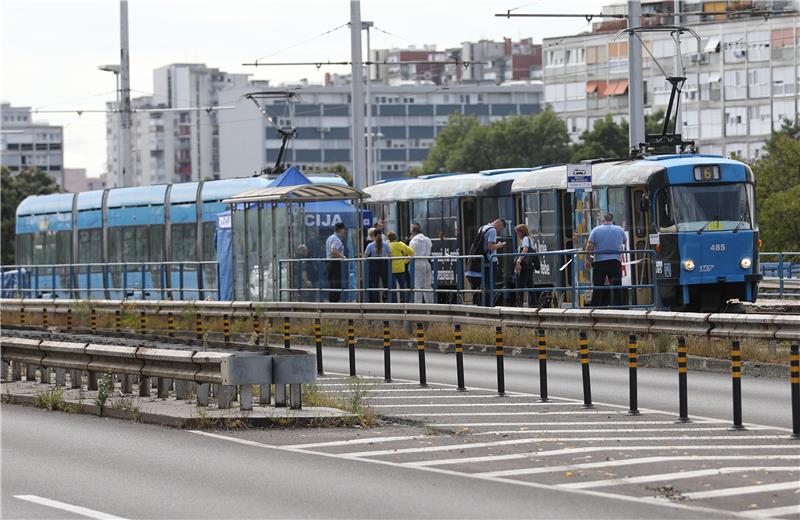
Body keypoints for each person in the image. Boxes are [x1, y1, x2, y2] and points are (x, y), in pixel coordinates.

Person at [586, 213, 626, 307]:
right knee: (617, 286)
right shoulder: (620, 229)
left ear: (603, 220)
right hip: (615, 262)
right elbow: (624, 241)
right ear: (613, 220)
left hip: (600, 262)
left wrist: (588, 259)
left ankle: (595, 308)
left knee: (598, 287)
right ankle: (619, 307)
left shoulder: (596, 230)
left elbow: (590, 246)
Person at [465, 219, 506, 306]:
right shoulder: (492, 230)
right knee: (490, 285)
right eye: (501, 229)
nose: (499, 231)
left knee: (480, 287)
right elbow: (490, 246)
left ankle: (479, 305)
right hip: (490, 260)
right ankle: (488, 305)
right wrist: (499, 245)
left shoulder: (482, 228)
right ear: (499, 224)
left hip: (480, 259)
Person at [513, 224, 540, 307]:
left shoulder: (525, 239)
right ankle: (534, 303)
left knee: (520, 284)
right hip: (529, 266)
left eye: (518, 233)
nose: (517, 235)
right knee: (529, 284)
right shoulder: (529, 239)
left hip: (525, 266)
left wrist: (519, 260)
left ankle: (519, 304)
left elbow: (525, 249)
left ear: (521, 232)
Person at [408, 223, 433, 303]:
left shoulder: (413, 240)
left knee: (417, 285)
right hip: (426, 262)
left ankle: (418, 303)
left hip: (417, 263)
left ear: (413, 232)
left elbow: (410, 253)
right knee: (427, 284)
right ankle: (430, 303)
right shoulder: (428, 239)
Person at [387, 231, 415, 303]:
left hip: (391, 269)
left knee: (392, 287)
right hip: (401, 268)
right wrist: (405, 261)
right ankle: (405, 301)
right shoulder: (402, 245)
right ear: (396, 237)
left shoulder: (388, 246)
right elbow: (412, 252)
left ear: (389, 239)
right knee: (403, 286)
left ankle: (394, 303)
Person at [363, 231, 390, 302]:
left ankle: (376, 300)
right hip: (383, 264)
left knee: (375, 283)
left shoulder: (370, 245)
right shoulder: (386, 244)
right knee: (385, 282)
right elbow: (390, 255)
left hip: (374, 264)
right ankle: (386, 297)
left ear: (374, 236)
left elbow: (365, 256)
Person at [325, 222, 347, 302]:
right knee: (336, 283)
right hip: (335, 263)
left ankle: (331, 301)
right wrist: (342, 256)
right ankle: (335, 302)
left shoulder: (330, 238)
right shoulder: (336, 239)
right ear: (341, 229)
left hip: (329, 262)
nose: (344, 231)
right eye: (344, 229)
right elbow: (333, 251)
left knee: (331, 283)